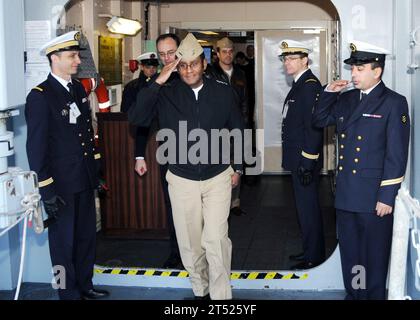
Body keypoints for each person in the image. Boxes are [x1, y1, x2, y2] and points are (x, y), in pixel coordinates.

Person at [128, 33, 244, 300]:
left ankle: (221, 296)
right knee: (191, 245)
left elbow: (238, 129)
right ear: (176, 67)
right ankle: (200, 289)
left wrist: (237, 167)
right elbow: (135, 117)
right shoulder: (165, 93)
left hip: (217, 177)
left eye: (194, 64)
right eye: (183, 65)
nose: (189, 70)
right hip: (181, 179)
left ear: (204, 64)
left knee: (215, 240)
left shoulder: (223, 92)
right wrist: (158, 80)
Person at [312, 40, 410, 299]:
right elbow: (320, 120)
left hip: (374, 198)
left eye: (359, 68)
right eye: (353, 68)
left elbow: (397, 154)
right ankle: (355, 296)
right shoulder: (346, 100)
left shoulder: (393, 103)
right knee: (352, 256)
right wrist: (329, 92)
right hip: (346, 195)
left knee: (374, 259)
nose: (353, 74)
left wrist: (387, 196)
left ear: (376, 71)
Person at [25, 31, 109, 300]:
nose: (77, 61)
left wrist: (95, 173)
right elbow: (36, 149)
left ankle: (85, 285)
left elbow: (86, 134)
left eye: (77, 55)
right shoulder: (41, 96)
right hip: (60, 186)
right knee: (62, 246)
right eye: (72, 56)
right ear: (54, 58)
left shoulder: (77, 90)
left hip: (83, 180)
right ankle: (67, 293)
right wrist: (46, 190)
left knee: (86, 239)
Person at [128, 35, 183, 269]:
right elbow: (141, 120)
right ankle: (177, 253)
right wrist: (139, 154)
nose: (166, 58)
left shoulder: (197, 76)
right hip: (169, 155)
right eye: (162, 54)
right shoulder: (157, 83)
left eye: (171, 52)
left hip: (201, 154)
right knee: (173, 207)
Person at [278, 39, 325, 270]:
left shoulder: (308, 86)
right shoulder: (300, 84)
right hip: (299, 159)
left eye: (292, 58)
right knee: (304, 209)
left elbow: (313, 128)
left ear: (304, 60)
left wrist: (307, 161)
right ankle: (309, 250)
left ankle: (314, 256)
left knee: (308, 209)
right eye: (285, 58)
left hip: (304, 160)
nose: (287, 62)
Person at [206, 37, 248, 216]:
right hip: (218, 126)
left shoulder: (240, 74)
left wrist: (245, 123)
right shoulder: (209, 73)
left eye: (231, 51)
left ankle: (235, 202)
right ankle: (218, 202)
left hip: (237, 125)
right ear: (217, 53)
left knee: (237, 164)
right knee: (219, 164)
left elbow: (246, 100)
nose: (228, 54)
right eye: (224, 51)